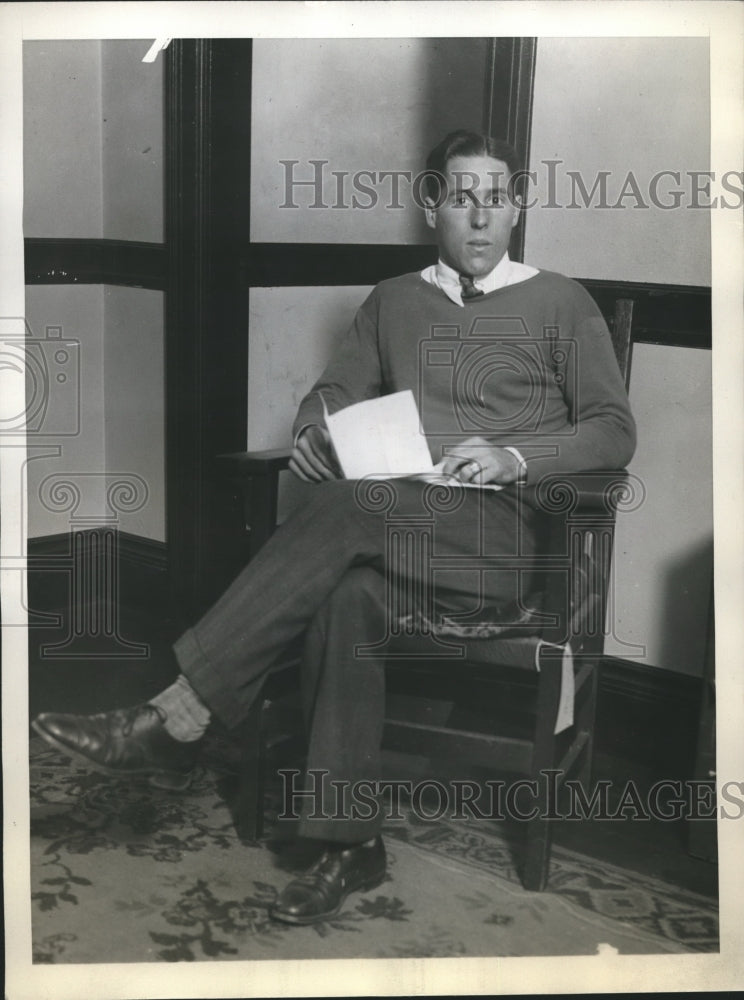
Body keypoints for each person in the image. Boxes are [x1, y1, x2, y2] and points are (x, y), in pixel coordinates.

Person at [32, 129, 636, 926]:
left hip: (504, 543)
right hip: (398, 532)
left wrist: (516, 456)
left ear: (517, 206)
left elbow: (612, 429)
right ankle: (351, 843)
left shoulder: (562, 302)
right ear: (433, 207)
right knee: (346, 598)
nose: (481, 217)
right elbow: (333, 391)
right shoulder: (393, 300)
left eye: (496, 199)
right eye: (463, 198)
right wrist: (317, 428)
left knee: (351, 507)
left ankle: (181, 711)